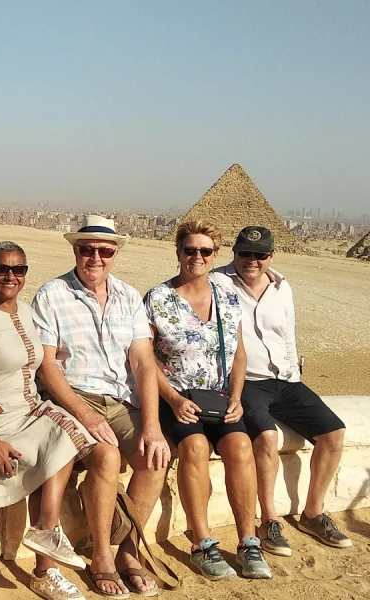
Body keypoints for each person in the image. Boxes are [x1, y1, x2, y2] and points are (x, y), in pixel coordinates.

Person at [31, 216, 171, 599]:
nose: (95, 257)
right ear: (75, 251)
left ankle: (128, 550)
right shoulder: (52, 294)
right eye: (86, 249)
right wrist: (84, 412)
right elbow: (47, 365)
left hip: (122, 400)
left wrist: (152, 425)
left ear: (115, 254)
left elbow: (143, 362)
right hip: (75, 399)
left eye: (104, 250)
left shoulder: (128, 296)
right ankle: (102, 557)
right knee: (106, 457)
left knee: (156, 455)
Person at [0, 241, 97, 600]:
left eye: (19, 270)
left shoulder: (26, 311)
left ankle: (46, 529)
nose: (10, 276)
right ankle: (46, 555)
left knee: (72, 429)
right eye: (2, 269)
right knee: (62, 434)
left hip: (29, 411)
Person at [143, 219, 271, 581]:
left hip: (219, 398)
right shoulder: (158, 298)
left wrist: (236, 396)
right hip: (178, 398)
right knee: (196, 447)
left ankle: (249, 542)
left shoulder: (227, 297)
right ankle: (202, 544)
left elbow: (239, 352)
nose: (197, 256)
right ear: (178, 252)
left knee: (241, 447)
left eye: (205, 251)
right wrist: (170, 398)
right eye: (190, 250)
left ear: (215, 255)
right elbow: (144, 357)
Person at [211, 226, 350, 554]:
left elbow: (287, 333)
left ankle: (313, 512)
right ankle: (269, 520)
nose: (252, 261)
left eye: (260, 255)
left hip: (285, 380)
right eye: (246, 253)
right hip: (247, 381)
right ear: (235, 252)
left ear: (270, 256)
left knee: (334, 434)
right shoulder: (218, 283)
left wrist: (292, 372)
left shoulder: (281, 286)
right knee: (267, 437)